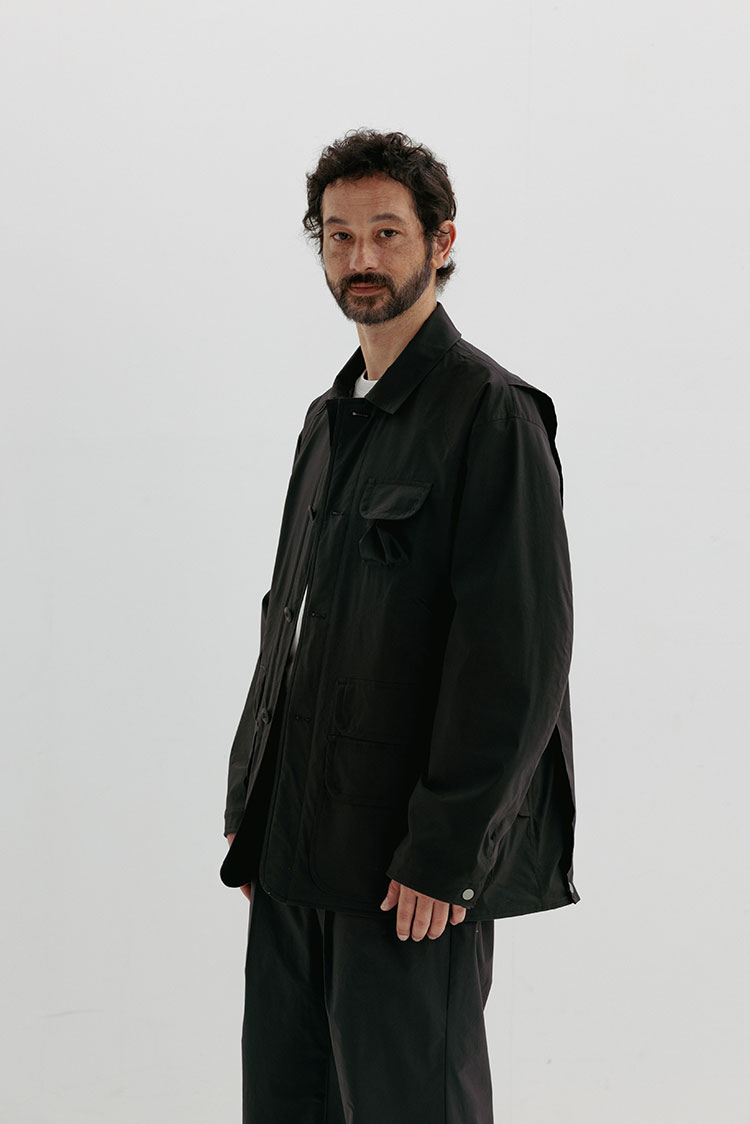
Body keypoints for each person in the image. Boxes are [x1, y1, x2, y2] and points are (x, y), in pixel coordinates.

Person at [220, 128, 580, 1124]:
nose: (361, 257)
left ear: (440, 240)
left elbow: (520, 656)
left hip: (403, 870)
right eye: (339, 235)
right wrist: (254, 801)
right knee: (288, 1103)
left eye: (386, 231)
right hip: (295, 853)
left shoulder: (491, 414)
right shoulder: (328, 419)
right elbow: (289, 619)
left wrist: (446, 851)